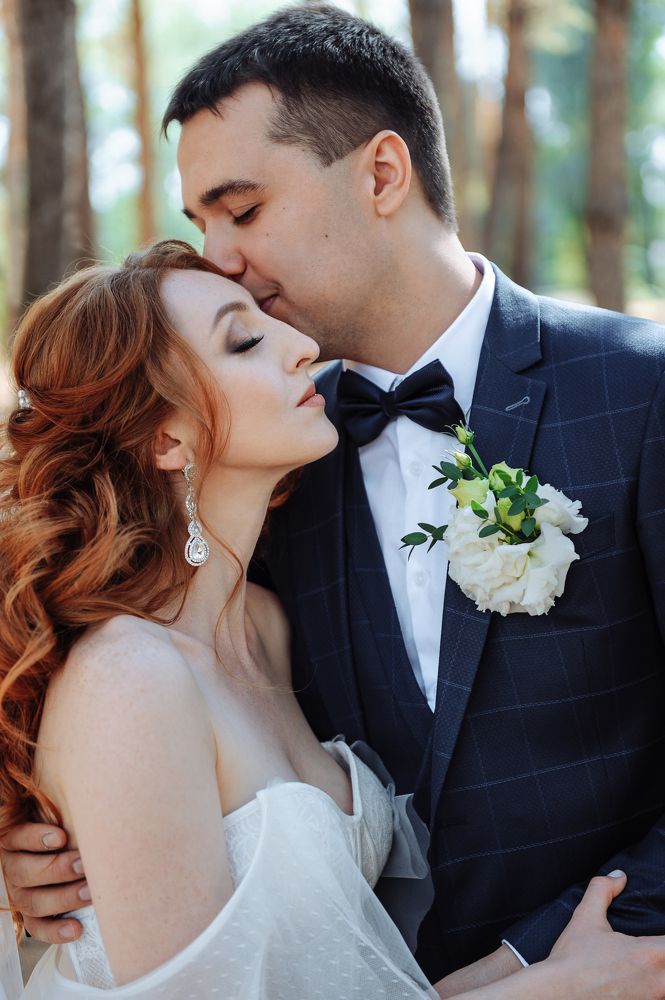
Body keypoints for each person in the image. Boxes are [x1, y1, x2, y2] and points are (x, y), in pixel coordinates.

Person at [3, 2, 665, 996]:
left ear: (382, 174)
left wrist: (558, 960)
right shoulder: (265, 471)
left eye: (242, 210)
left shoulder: (639, 392)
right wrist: (37, 848)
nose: (217, 255)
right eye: (201, 225)